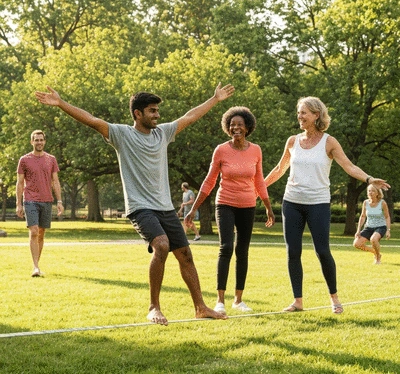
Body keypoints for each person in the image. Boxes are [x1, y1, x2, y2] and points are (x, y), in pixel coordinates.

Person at [35, 82, 235, 326]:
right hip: (140, 207)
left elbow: (189, 116)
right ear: (137, 113)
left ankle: (200, 307)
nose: (157, 115)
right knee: (161, 245)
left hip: (164, 206)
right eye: (152, 111)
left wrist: (215, 99)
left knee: (186, 255)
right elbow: (91, 120)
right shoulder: (122, 134)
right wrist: (61, 103)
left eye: (157, 111)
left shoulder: (163, 133)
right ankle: (154, 307)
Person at [264, 96, 390, 314]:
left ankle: (334, 298)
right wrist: (258, 188)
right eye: (298, 113)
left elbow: (348, 166)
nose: (300, 116)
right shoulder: (292, 141)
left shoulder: (329, 142)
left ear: (316, 115)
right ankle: (298, 302)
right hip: (291, 202)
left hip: (318, 204)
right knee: (292, 252)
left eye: (304, 112)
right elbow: (279, 169)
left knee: (322, 251)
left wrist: (369, 180)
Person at [185, 106, 275, 314]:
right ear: (228, 127)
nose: (236, 128)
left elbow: (259, 181)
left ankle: (238, 299)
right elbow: (209, 181)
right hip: (225, 203)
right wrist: (193, 210)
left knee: (242, 251)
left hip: (248, 205)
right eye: (232, 125)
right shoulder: (221, 150)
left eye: (240, 125)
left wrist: (268, 208)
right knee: (226, 247)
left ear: (247, 127)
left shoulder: (256, 150)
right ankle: (220, 300)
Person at [16, 130, 64, 277]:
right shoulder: (24, 160)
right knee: (34, 231)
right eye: (36, 140)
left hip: (47, 200)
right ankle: (35, 267)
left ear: (45, 141)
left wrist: (60, 201)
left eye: (41, 140)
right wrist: (19, 203)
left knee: (41, 234)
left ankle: (37, 263)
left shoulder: (51, 159)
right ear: (32, 142)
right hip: (30, 199)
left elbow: (55, 181)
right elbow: (19, 182)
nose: (39, 142)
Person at [353, 184, 391, 264]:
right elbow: (363, 216)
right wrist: (358, 230)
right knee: (356, 244)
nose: (370, 192)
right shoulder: (365, 203)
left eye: (373, 191)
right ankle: (376, 252)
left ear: (377, 193)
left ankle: (377, 259)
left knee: (373, 239)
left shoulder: (382, 203)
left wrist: (388, 230)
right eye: (369, 191)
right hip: (368, 227)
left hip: (380, 227)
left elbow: (387, 217)